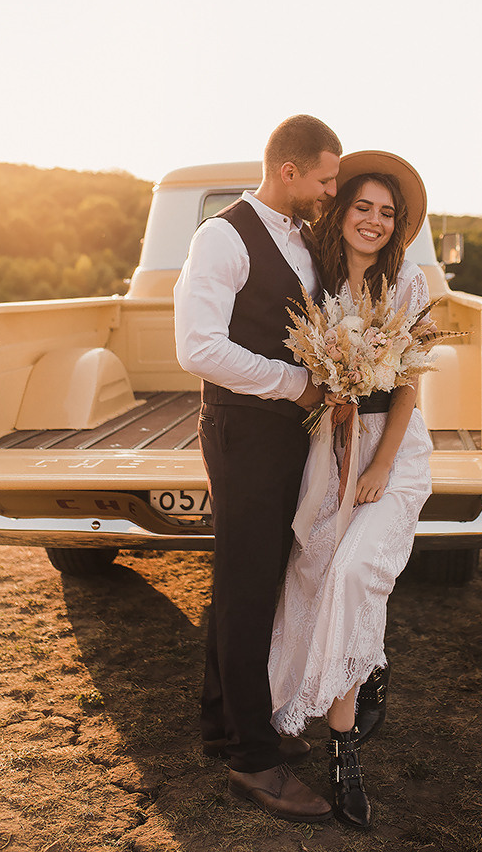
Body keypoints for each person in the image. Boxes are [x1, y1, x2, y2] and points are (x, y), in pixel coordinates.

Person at [173, 115, 342, 823]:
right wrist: (293, 383)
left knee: (252, 577)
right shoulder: (221, 237)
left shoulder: (301, 237)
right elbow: (197, 348)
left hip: (282, 435)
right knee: (247, 587)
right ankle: (253, 759)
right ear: (290, 171)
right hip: (242, 430)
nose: (332, 191)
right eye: (327, 179)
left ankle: (223, 722)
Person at [268, 151, 433, 829]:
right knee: (317, 571)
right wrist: (334, 402)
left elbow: (408, 389)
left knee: (357, 571)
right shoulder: (313, 280)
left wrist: (377, 468)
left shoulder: (409, 285)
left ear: (398, 227)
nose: (373, 220)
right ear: (341, 211)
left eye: (386, 213)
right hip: (327, 446)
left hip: (391, 452)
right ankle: (366, 664)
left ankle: (344, 753)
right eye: (361, 206)